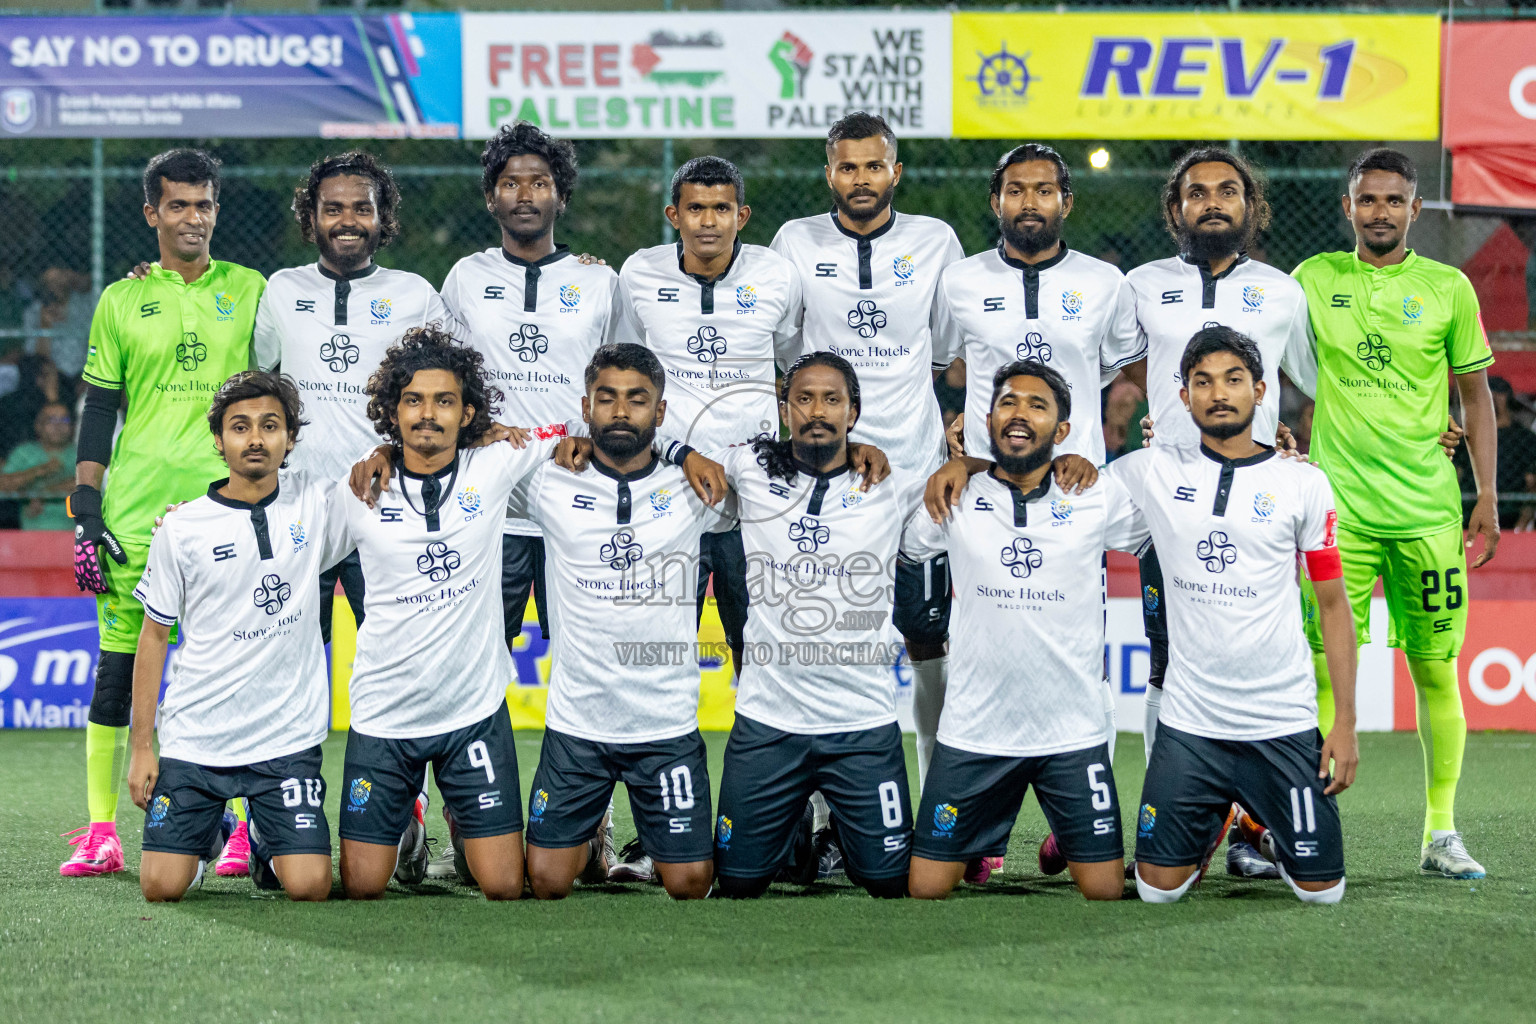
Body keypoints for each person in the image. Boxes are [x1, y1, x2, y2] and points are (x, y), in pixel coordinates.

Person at [1293, 148, 1499, 879]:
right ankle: (1306, 829)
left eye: (1393, 200)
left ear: (1416, 210)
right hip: (1336, 514)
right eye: (1367, 199)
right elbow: (1264, 367)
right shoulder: (1312, 281)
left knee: (1437, 672)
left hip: (1428, 515)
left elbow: (1474, 397)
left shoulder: (1448, 288)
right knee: (1320, 672)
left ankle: (1441, 833)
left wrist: (1486, 495)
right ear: (1347, 207)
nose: (1379, 211)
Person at [768, 112, 964, 876]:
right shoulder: (794, 242)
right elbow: (786, 353)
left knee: (926, 644)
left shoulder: (936, 242)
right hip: (822, 483)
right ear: (829, 174)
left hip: (915, 488)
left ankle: (937, 814)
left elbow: (946, 352)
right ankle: (822, 824)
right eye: (846, 168)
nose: (859, 179)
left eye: (872, 166)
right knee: (827, 642)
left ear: (894, 172)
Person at [62, 149, 266, 879]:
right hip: (136, 514)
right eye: (177, 205)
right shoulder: (122, 300)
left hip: (227, 512)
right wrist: (87, 508)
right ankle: (100, 832)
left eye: (204, 204)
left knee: (232, 672)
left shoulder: (251, 291)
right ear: (152, 213)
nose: (193, 218)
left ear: (216, 209)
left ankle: (242, 831)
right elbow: (98, 409)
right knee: (115, 676)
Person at [1120, 147, 1316, 879]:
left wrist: (1293, 446)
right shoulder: (1139, 288)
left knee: (1257, 656)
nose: (1211, 203)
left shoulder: (1281, 293)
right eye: (1195, 193)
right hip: (1169, 502)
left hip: (1259, 505)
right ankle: (1176, 818)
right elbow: (1093, 363)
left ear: (1250, 206)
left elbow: (1316, 381)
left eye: (1226, 192)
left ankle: (1251, 826)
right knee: (1166, 661)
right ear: (1175, 209)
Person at [1108, 327, 1357, 904]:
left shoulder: (1303, 482)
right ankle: (1215, 816)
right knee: (1155, 893)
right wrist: (967, 462)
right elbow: (1060, 492)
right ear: (1182, 397)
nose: (1219, 393)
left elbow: (1334, 604)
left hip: (1282, 721)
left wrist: (1343, 724)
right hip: (1192, 725)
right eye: (1203, 382)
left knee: (1324, 893)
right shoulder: (1150, 472)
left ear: (1261, 391)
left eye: (1234, 380)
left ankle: (1257, 825)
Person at [333, 326, 559, 901]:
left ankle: (461, 817)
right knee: (361, 886)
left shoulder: (495, 464)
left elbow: (572, 432)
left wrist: (678, 453)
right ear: (391, 411)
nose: (427, 414)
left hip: (472, 712)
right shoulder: (358, 491)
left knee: (506, 885)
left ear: (469, 413)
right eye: (413, 400)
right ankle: (407, 821)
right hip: (385, 715)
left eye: (444, 401)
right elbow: (288, 538)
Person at [906, 360, 1142, 901]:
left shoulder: (1095, 494)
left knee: (1105, 891)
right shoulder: (955, 494)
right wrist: (963, 465)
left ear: (1061, 431)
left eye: (1038, 406)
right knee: (924, 889)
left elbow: (1174, 525)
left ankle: (1064, 840)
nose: (1020, 415)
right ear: (987, 419)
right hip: (974, 732)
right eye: (1009, 402)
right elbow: (912, 550)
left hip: (1071, 734)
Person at [512, 344, 726, 901]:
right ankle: (591, 834)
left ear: (659, 412)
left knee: (690, 884)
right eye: (606, 399)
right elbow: (470, 458)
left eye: (637, 400)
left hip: (664, 724)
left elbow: (776, 467)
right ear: (586, 406)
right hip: (578, 724)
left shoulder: (695, 488)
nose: (621, 412)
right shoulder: (546, 484)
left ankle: (648, 841)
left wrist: (684, 453)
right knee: (545, 882)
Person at [126, 371, 343, 902]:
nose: (255, 439)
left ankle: (267, 843)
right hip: (198, 738)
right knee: (160, 889)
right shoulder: (182, 527)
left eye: (270, 426)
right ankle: (213, 833)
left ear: (289, 438)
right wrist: (140, 748)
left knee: (310, 887)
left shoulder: (317, 502)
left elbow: (389, 483)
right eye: (239, 427)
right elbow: (153, 638)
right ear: (219, 440)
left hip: (285, 739)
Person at [711, 353, 917, 900]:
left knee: (890, 880)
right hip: (768, 722)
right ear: (783, 410)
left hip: (862, 723)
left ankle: (839, 833)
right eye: (803, 399)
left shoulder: (892, 482)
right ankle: (796, 834)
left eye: (832, 399)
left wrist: (962, 464)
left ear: (854, 413)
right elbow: (669, 458)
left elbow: (965, 479)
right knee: (736, 882)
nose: (817, 411)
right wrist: (678, 450)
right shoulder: (748, 466)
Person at [441, 122, 622, 662]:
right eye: (511, 182)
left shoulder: (598, 282)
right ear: (492, 197)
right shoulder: (465, 277)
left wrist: (599, 441)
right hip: (490, 504)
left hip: (577, 497)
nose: (525, 194)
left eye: (539, 182)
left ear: (560, 196)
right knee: (478, 657)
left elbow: (622, 383)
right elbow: (446, 381)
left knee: (585, 655)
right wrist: (474, 429)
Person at [255, 151, 449, 647]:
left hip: (383, 500)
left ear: (383, 219)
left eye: (362, 208)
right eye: (333, 208)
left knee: (392, 651)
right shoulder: (280, 288)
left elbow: (443, 396)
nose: (348, 221)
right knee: (286, 653)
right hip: (297, 503)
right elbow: (254, 380)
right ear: (311, 218)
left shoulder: (416, 296)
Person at [939, 143, 1143, 468]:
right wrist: (944, 424)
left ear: (1066, 204)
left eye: (1044, 191)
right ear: (996, 202)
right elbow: (933, 366)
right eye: (1016, 191)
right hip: (987, 478)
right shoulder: (958, 280)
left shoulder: (1106, 282)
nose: (1030, 203)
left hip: (1078, 477)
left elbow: (1137, 369)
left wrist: (1167, 421)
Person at [0, 401, 76, 530]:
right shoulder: (24, 453)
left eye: (64, 419)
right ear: (38, 426)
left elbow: (86, 483)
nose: (58, 426)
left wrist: (41, 495)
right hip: (32, 532)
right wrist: (39, 471)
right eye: (51, 420)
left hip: (74, 533)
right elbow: (4, 485)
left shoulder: (80, 453)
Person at [24, 266, 93, 387]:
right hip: (50, 378)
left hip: (83, 374)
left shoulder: (87, 305)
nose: (56, 286)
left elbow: (99, 344)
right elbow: (37, 359)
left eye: (59, 279)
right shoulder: (32, 312)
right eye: (50, 282)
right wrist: (45, 325)